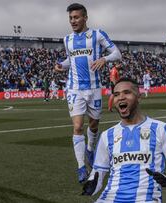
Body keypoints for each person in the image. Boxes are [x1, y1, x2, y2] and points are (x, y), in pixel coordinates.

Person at [82, 78, 166, 202]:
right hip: (108, 198)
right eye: (116, 94)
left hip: (145, 199)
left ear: (139, 97)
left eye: (127, 92)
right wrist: (91, 186)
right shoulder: (107, 135)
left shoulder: (161, 129)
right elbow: (98, 173)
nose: (121, 97)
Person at [54, 3, 122, 183]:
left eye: (76, 17)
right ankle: (81, 167)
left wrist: (104, 59)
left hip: (94, 88)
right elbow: (71, 59)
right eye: (70, 18)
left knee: (93, 126)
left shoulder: (97, 35)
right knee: (77, 127)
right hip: (75, 88)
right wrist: (62, 65)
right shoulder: (67, 39)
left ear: (85, 17)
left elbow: (117, 54)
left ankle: (90, 149)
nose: (73, 21)